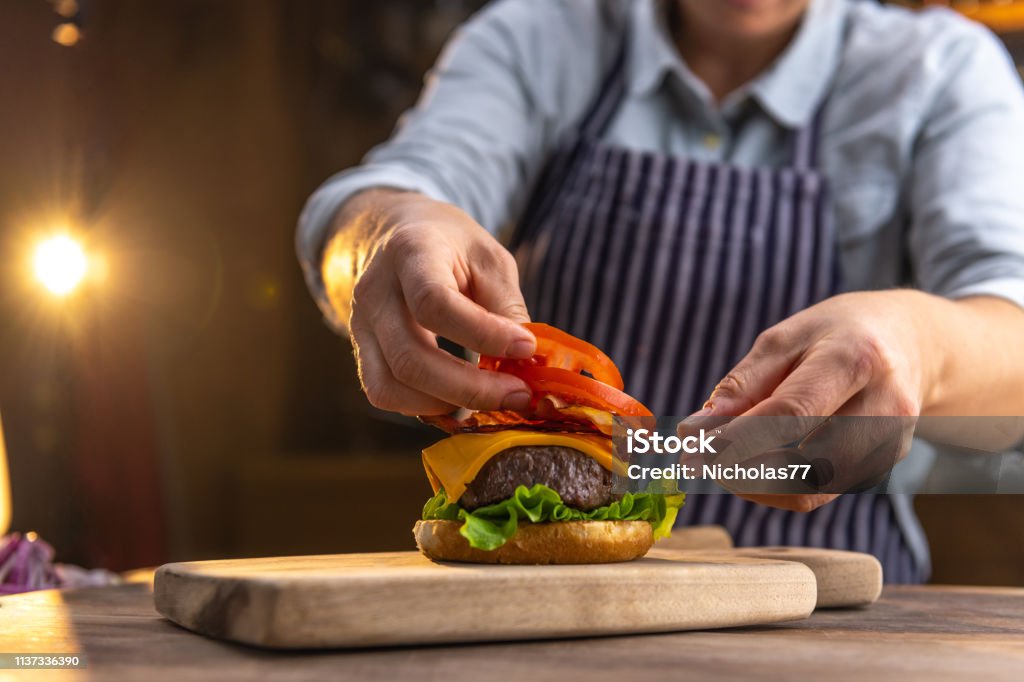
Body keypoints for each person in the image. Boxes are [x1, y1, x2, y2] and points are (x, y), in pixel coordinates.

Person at [297, 0, 1024, 583]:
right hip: (542, 615)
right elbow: (387, 196)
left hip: (831, 606)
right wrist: (385, 233)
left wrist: (916, 343)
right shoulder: (537, 34)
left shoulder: (941, 67)